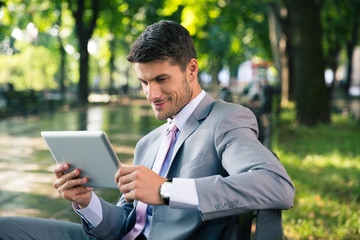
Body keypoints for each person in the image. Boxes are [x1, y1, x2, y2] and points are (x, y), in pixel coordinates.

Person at [0, 20, 294, 240]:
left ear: (191, 69)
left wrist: (166, 190)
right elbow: (125, 224)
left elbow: (277, 185)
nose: (151, 94)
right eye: (144, 82)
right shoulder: (148, 143)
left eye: (161, 79)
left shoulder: (226, 120)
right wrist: (87, 202)